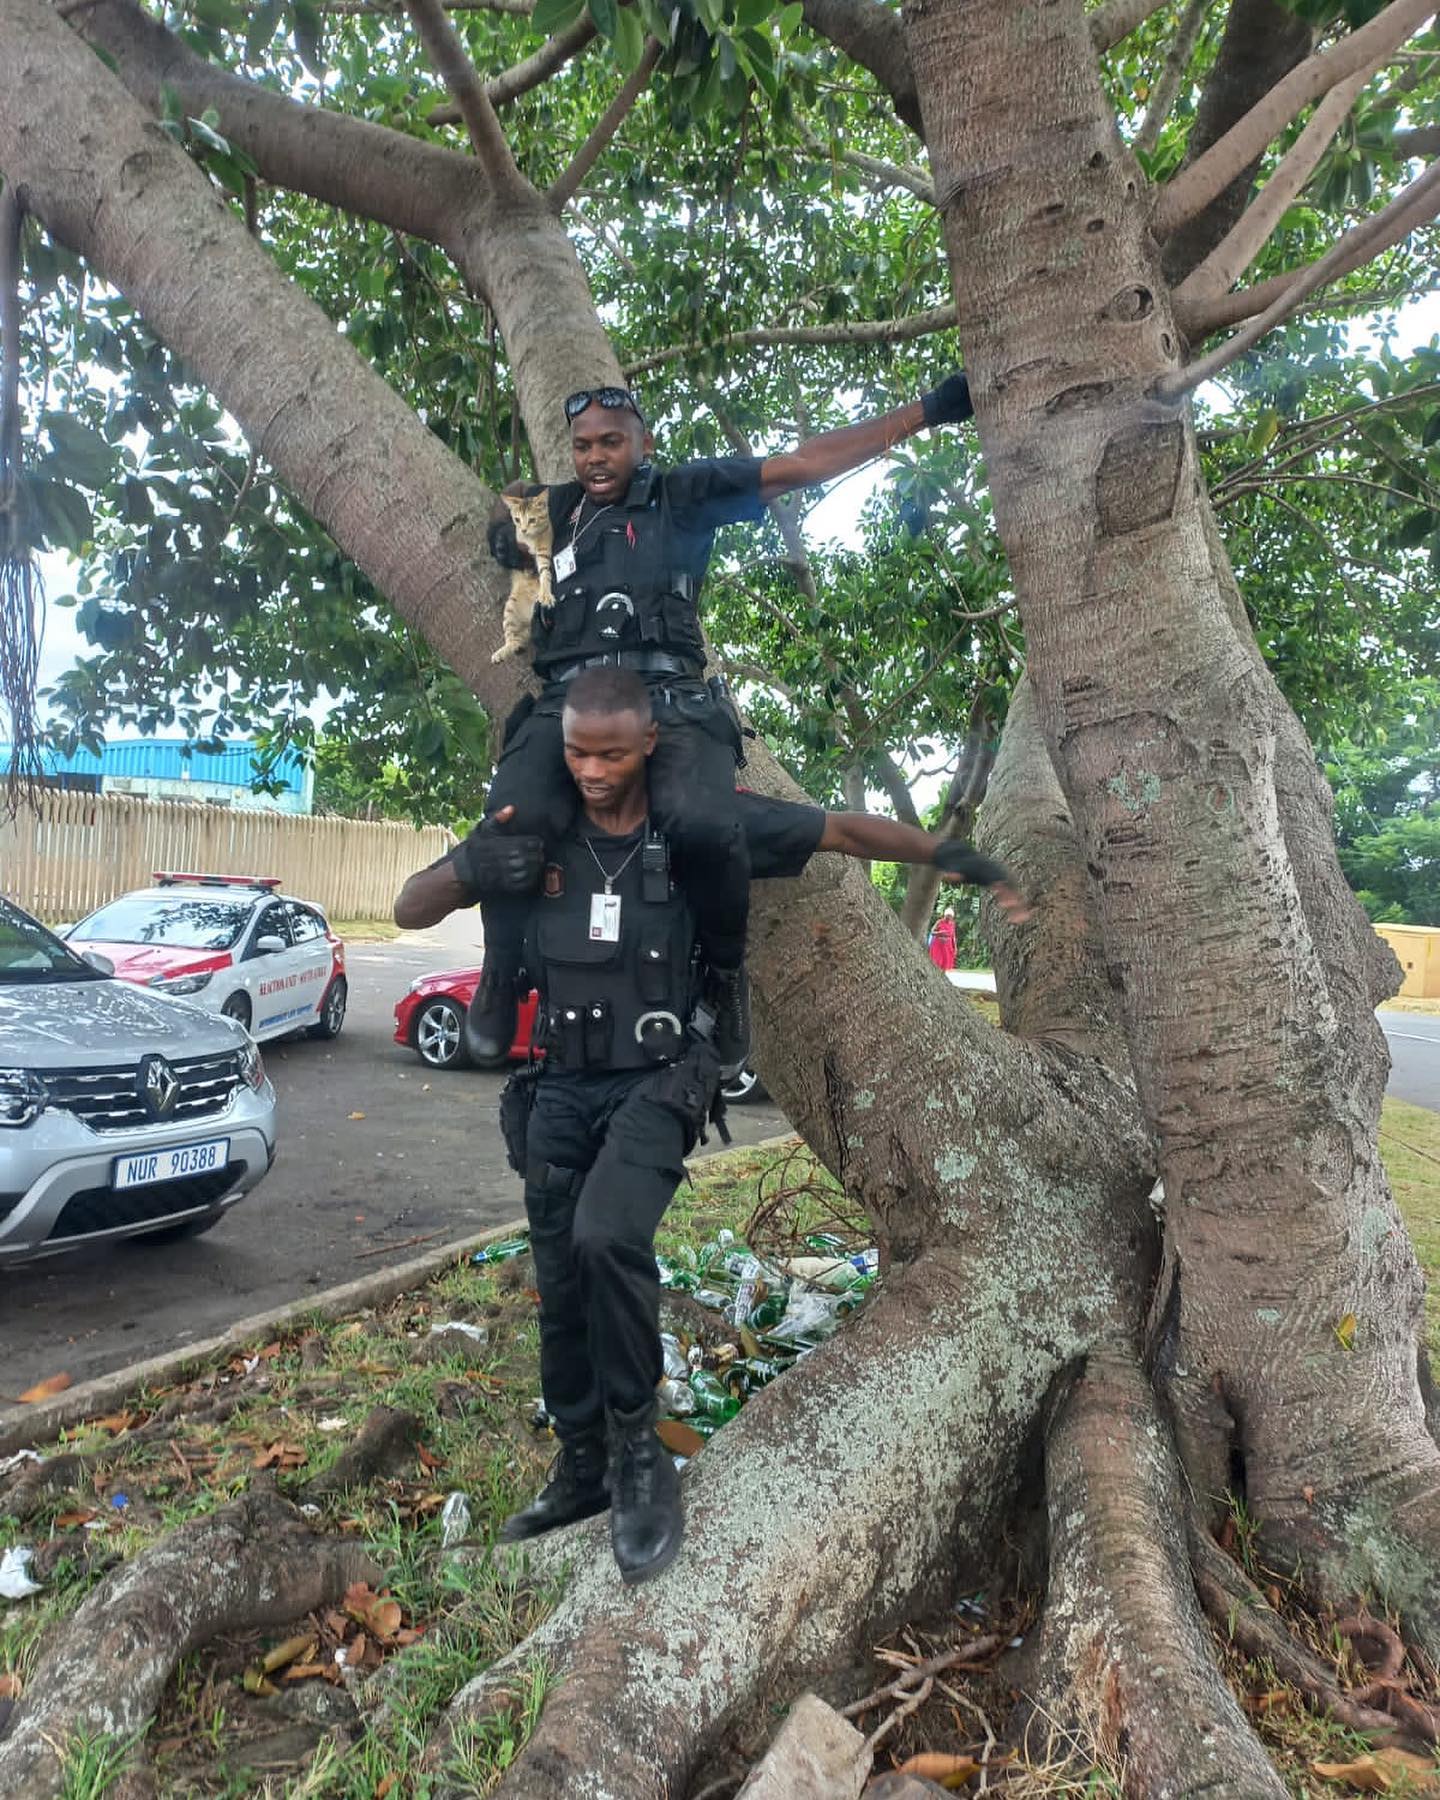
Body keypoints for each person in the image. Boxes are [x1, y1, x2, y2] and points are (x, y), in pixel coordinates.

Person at [394, 667, 1029, 1586]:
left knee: (610, 1236)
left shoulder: (699, 825)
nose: (593, 771)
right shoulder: (537, 828)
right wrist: (466, 869)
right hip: (559, 1087)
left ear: (650, 741)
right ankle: (581, 1468)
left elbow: (844, 831)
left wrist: (962, 859)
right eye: (576, 752)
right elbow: (414, 904)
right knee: (563, 1275)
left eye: (612, 752)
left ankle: (642, 1454)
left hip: (660, 1080)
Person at [470, 374, 979, 1078]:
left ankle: (723, 977)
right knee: (508, 821)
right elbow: (503, 527)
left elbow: (803, 464)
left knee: (708, 828)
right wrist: (507, 530)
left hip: (670, 702)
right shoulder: (550, 512)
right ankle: (501, 973)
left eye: (612, 443)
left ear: (643, 443)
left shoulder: (686, 495)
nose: (595, 458)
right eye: (583, 446)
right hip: (569, 705)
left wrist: (929, 411)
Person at [928, 906, 958, 972]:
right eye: (947, 916)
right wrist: (939, 933)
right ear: (945, 915)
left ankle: (943, 974)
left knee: (946, 962)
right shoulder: (939, 922)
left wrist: (955, 947)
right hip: (938, 945)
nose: (948, 918)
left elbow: (953, 936)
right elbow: (932, 931)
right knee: (937, 961)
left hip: (947, 946)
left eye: (950, 917)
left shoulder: (952, 924)